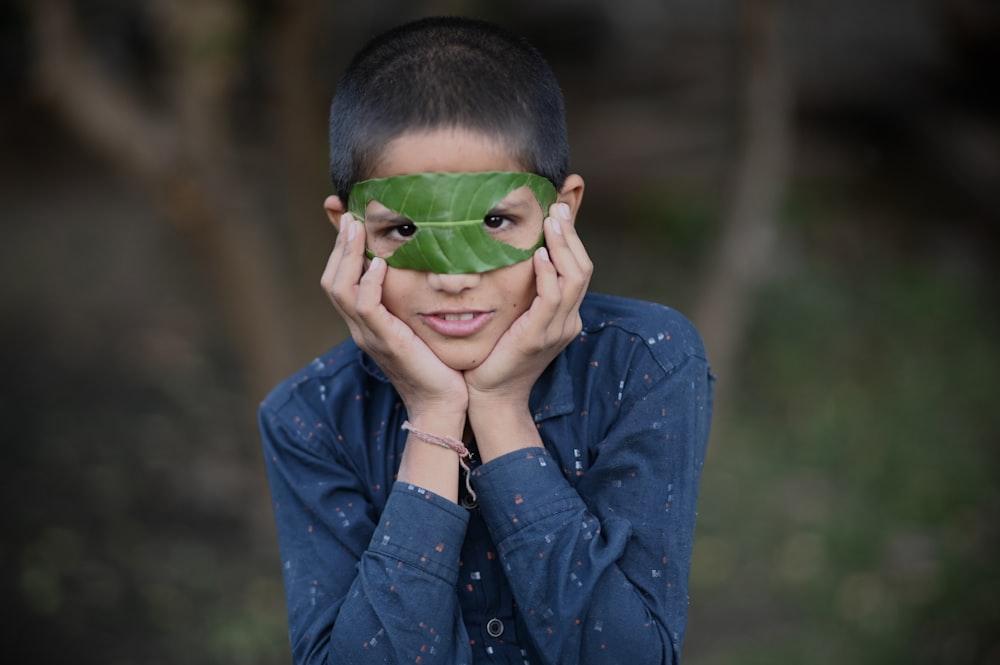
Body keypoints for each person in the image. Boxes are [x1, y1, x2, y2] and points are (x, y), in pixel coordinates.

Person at [258, 15, 713, 665]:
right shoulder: (307, 418)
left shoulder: (644, 362)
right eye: (406, 229)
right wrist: (435, 417)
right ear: (348, 230)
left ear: (562, 211)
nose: (453, 277)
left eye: (496, 220)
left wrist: (499, 407)